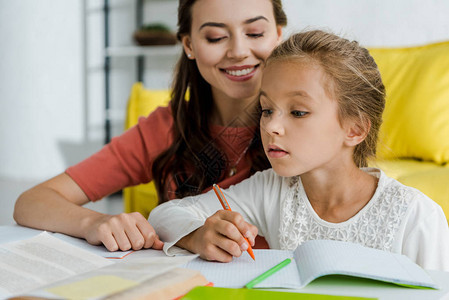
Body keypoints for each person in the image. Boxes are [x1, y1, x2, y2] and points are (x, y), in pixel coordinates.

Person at [149, 30, 449, 271]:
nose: (271, 127)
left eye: (298, 112)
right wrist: (198, 234)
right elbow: (165, 215)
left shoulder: (416, 217)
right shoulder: (271, 190)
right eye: (267, 110)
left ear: (354, 129)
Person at [13, 0, 286, 252]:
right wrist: (94, 223)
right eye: (215, 37)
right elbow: (32, 202)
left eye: (255, 33)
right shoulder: (165, 128)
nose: (238, 51)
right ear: (189, 44)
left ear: (278, 34)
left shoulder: (310, 123)